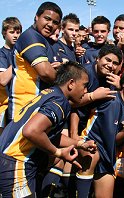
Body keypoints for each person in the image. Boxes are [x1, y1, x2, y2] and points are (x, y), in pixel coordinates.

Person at [0, 61, 97, 198]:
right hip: (16, 163)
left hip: (9, 159)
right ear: (71, 84)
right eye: (84, 85)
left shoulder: (51, 93)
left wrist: (79, 144)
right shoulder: (58, 103)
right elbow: (31, 131)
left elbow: (47, 134)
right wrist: (57, 152)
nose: (86, 91)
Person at [76, 66, 124, 198]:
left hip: (108, 154)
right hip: (89, 144)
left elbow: (116, 140)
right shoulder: (112, 100)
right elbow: (109, 139)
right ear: (123, 83)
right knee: (93, 153)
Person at [8, 2, 63, 122]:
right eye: (47, 19)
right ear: (36, 17)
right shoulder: (30, 36)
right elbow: (45, 72)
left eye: (55, 22)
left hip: (38, 107)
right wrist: (64, 80)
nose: (50, 24)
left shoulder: (46, 40)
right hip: (23, 108)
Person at [0, 17, 22, 135]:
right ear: (4, 33)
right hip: (4, 108)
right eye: (12, 32)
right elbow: (3, 80)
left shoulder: (20, 53)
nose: (15, 36)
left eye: (18, 32)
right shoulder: (2, 54)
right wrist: (17, 59)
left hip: (19, 104)